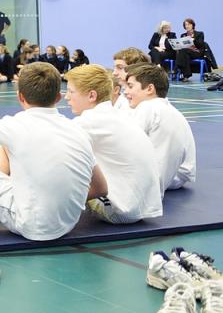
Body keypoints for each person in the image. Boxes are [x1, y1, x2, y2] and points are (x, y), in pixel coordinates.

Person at [0, 63, 103, 241]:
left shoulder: (12, 125)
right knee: (1, 142)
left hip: (31, 225)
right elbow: (101, 188)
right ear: (58, 97)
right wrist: (62, 199)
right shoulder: (77, 129)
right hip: (68, 223)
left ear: (20, 96)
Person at [65, 65, 162, 225]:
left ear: (91, 95)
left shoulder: (90, 121)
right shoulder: (115, 115)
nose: (66, 97)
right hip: (139, 205)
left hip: (119, 210)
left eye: (71, 92)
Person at [123, 64, 196, 192]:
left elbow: (127, 146)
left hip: (159, 180)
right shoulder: (170, 110)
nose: (126, 92)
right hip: (178, 176)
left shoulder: (147, 107)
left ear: (150, 89)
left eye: (130, 86)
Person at [111, 47, 148, 112]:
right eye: (114, 68)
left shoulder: (142, 101)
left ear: (136, 69)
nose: (114, 73)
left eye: (120, 68)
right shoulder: (123, 96)